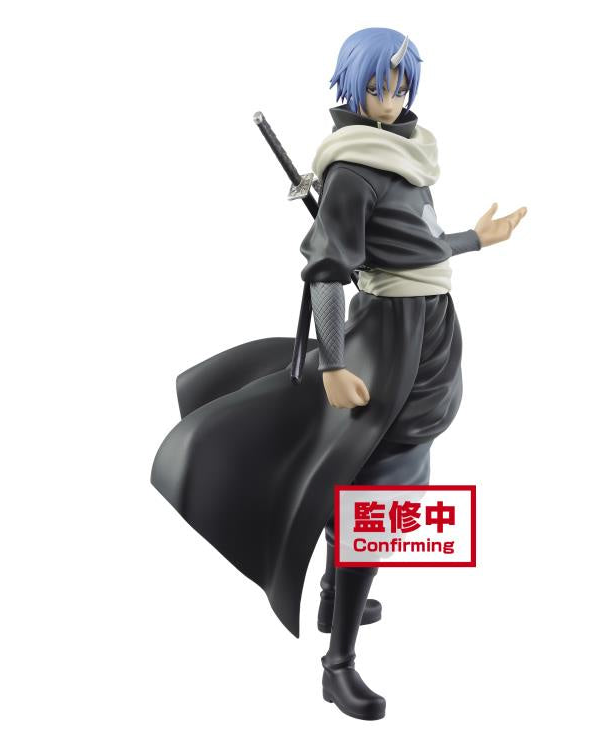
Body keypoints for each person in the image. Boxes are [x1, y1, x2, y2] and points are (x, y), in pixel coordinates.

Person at [151, 26, 526, 721]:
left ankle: (335, 595)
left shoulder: (406, 158)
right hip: (389, 340)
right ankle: (339, 663)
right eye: (378, 86)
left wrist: (478, 238)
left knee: (370, 474)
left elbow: (418, 245)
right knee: (376, 496)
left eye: (401, 84)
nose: (392, 97)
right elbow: (327, 272)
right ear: (355, 89)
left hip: (429, 335)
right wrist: (329, 364)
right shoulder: (353, 172)